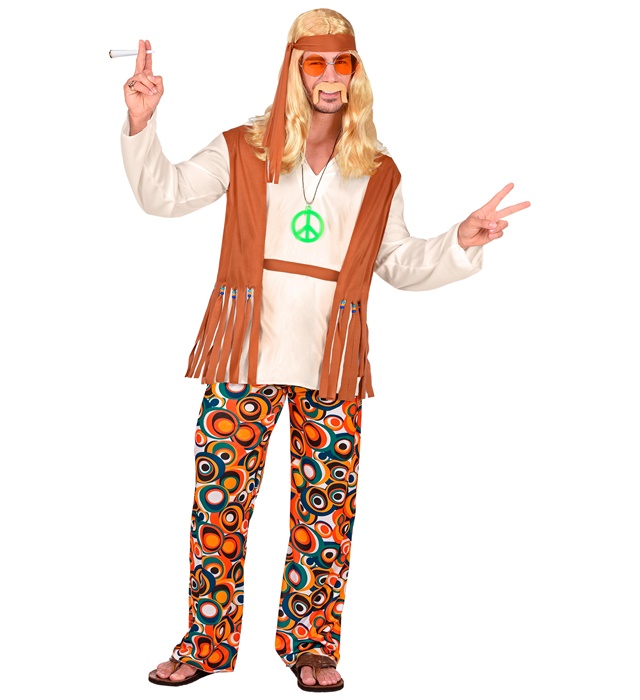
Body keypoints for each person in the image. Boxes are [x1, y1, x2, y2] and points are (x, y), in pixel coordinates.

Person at [120, 8, 530, 693]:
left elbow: (397, 263)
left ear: (356, 72)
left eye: (343, 62)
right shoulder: (243, 147)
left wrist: (460, 240)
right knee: (218, 505)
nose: (331, 76)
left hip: (333, 360)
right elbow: (165, 196)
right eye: (317, 62)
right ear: (294, 68)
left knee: (326, 512)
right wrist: (142, 122)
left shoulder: (377, 171)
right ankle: (206, 642)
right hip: (243, 352)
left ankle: (311, 646)